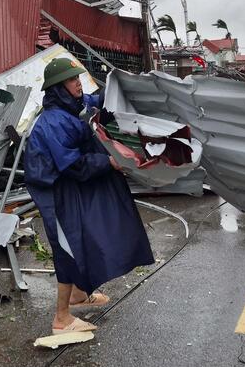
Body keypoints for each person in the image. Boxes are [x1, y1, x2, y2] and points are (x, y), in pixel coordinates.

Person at [24, 58, 154, 334]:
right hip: (54, 191)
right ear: (58, 87)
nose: (78, 83)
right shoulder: (54, 122)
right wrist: (108, 162)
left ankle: (78, 296)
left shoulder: (69, 109)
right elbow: (73, 165)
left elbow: (96, 100)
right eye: (72, 80)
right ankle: (61, 318)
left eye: (78, 78)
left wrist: (122, 83)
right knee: (67, 247)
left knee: (86, 234)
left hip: (69, 185)